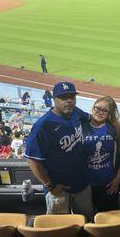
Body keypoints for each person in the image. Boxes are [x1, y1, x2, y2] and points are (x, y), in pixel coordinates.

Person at [25, 82, 93, 218]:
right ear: (54, 99)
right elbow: (32, 161)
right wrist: (50, 186)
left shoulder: (76, 112)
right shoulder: (43, 125)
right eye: (64, 97)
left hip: (82, 184)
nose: (69, 101)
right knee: (60, 229)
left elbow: (93, 120)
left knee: (87, 223)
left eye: (72, 97)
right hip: (59, 189)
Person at [83, 96, 120, 212]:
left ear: (110, 113)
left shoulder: (115, 129)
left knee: (109, 218)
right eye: (98, 108)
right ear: (93, 108)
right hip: (85, 186)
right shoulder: (81, 127)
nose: (100, 112)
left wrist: (117, 179)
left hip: (109, 184)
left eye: (105, 110)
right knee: (86, 219)